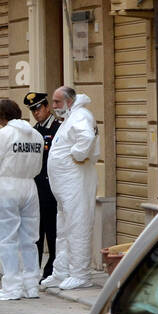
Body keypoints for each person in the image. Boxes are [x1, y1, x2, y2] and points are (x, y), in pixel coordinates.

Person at [0, 98, 44, 300]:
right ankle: (31, 284)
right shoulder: (36, 135)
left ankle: (13, 286)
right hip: (30, 186)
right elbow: (38, 167)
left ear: (1, 117)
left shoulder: (3, 134)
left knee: (6, 238)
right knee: (30, 238)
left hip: (8, 186)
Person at [41, 85, 100, 291]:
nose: (54, 106)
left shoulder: (80, 116)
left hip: (76, 183)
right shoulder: (70, 118)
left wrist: (77, 154)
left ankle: (80, 274)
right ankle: (61, 272)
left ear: (69, 101)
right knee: (64, 230)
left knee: (77, 227)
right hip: (65, 188)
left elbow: (86, 139)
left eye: (57, 102)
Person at [24, 90, 62, 280]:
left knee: (53, 232)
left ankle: (51, 270)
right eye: (33, 110)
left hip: (52, 189)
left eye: (38, 108)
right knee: (35, 233)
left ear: (47, 107)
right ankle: (33, 271)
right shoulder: (33, 132)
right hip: (36, 188)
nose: (36, 113)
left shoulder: (58, 128)